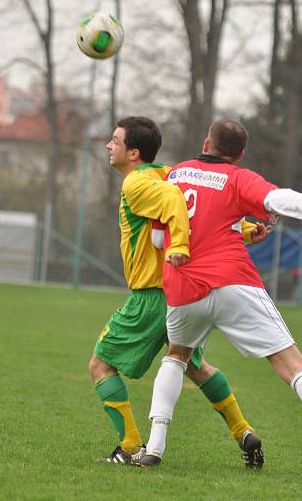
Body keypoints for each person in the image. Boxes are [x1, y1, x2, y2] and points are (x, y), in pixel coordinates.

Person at [138, 119, 302, 488]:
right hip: (233, 283)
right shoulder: (237, 178)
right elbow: (278, 198)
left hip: (183, 285)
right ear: (239, 154)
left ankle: (154, 447)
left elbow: (159, 240)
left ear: (206, 142)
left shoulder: (174, 175)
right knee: (294, 367)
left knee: (176, 356)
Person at [88, 116, 264, 467]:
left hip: (151, 296)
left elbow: (174, 203)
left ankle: (129, 446)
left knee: (100, 365)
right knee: (194, 367)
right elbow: (202, 206)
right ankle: (243, 431)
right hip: (180, 293)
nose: (109, 145)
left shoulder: (138, 183)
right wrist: (243, 228)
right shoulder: (167, 173)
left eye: (115, 140)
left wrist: (177, 245)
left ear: (134, 152)